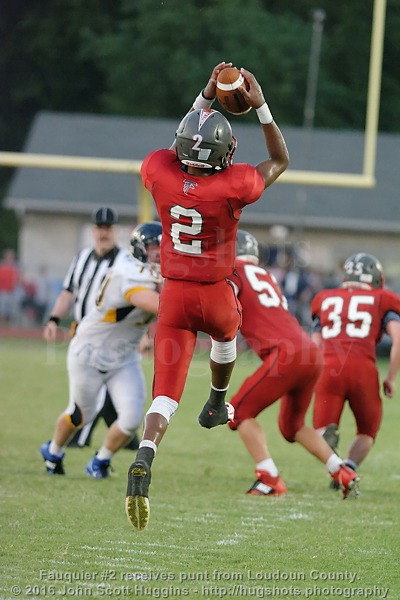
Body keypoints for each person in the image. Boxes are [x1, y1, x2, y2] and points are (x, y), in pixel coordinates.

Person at [125, 62, 290, 531]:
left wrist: (206, 95)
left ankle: (145, 453)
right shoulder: (234, 185)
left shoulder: (158, 170)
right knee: (227, 332)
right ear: (226, 154)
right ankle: (218, 400)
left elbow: (182, 138)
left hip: (174, 295)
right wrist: (259, 106)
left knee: (165, 393)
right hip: (215, 292)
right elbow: (278, 161)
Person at [225, 230, 359, 499]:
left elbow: (226, 309)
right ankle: (341, 470)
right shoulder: (266, 275)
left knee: (238, 411)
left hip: (285, 354)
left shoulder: (232, 271)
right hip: (310, 352)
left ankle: (269, 478)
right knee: (292, 426)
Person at [40, 221, 162, 478]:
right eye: (154, 248)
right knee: (80, 415)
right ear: (140, 249)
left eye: (163, 248)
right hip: (89, 353)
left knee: (130, 420)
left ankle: (100, 461)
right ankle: (53, 451)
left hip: (124, 358)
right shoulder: (128, 272)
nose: (160, 253)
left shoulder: (153, 271)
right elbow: (159, 304)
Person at [43, 207, 138, 451]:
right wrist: (54, 319)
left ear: (116, 231)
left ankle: (82, 439)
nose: (103, 233)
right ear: (93, 231)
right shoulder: (82, 257)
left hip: (113, 339)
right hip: (83, 338)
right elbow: (68, 292)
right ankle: (115, 439)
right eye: (99, 228)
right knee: (90, 393)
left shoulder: (125, 262)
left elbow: (137, 302)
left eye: (108, 228)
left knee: (105, 393)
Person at [311, 252, 400, 488]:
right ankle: (348, 466)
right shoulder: (383, 298)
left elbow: (315, 344)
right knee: (368, 430)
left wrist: (311, 377)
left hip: (328, 367)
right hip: (363, 369)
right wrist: (391, 377)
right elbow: (398, 338)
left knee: (320, 429)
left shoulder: (325, 298)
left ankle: (335, 464)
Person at [0, 248, 21, 324]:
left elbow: (18, 279)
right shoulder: (2, 266)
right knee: (3, 310)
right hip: (4, 291)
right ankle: (3, 325)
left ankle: (11, 325)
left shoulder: (15, 267)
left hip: (13, 291)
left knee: (13, 310)